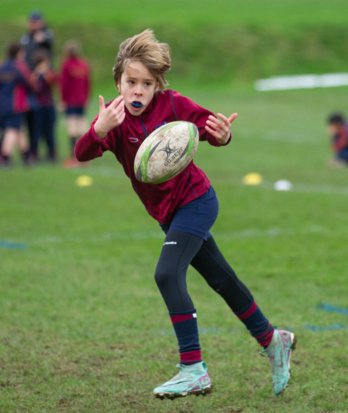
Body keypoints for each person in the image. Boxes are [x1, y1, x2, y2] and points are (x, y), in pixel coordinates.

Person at [75, 30, 296, 398]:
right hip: (168, 215)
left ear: (158, 86)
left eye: (147, 84)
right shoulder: (113, 123)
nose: (138, 91)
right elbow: (81, 154)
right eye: (131, 82)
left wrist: (223, 134)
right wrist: (98, 129)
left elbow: (213, 130)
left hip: (196, 201)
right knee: (222, 280)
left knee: (166, 273)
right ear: (118, 82)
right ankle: (273, 339)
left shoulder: (173, 104)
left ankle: (193, 369)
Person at [20, 11, 54, 161]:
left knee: (48, 127)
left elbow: (48, 42)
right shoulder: (26, 38)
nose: (34, 24)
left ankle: (51, 152)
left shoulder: (46, 34)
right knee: (32, 125)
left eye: (36, 21)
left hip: (44, 89)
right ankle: (33, 152)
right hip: (30, 85)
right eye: (32, 22)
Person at [0, 43, 33, 166]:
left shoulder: (2, 67)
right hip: (15, 105)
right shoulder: (19, 67)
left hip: (3, 104)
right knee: (12, 130)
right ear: (19, 53)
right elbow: (29, 83)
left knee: (19, 130)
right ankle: (5, 156)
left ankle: (27, 155)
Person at [59, 40, 90, 167]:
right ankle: (86, 156)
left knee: (72, 127)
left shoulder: (66, 65)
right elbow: (88, 83)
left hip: (71, 100)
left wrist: (62, 99)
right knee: (82, 126)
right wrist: (86, 97)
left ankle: (74, 158)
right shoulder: (83, 64)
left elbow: (64, 84)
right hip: (82, 100)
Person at [30, 53, 58, 162]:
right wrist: (38, 75)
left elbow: (54, 80)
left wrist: (46, 73)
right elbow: (34, 87)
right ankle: (34, 153)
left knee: (50, 131)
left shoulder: (48, 74)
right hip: (38, 107)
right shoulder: (34, 75)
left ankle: (52, 153)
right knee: (36, 131)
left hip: (49, 106)